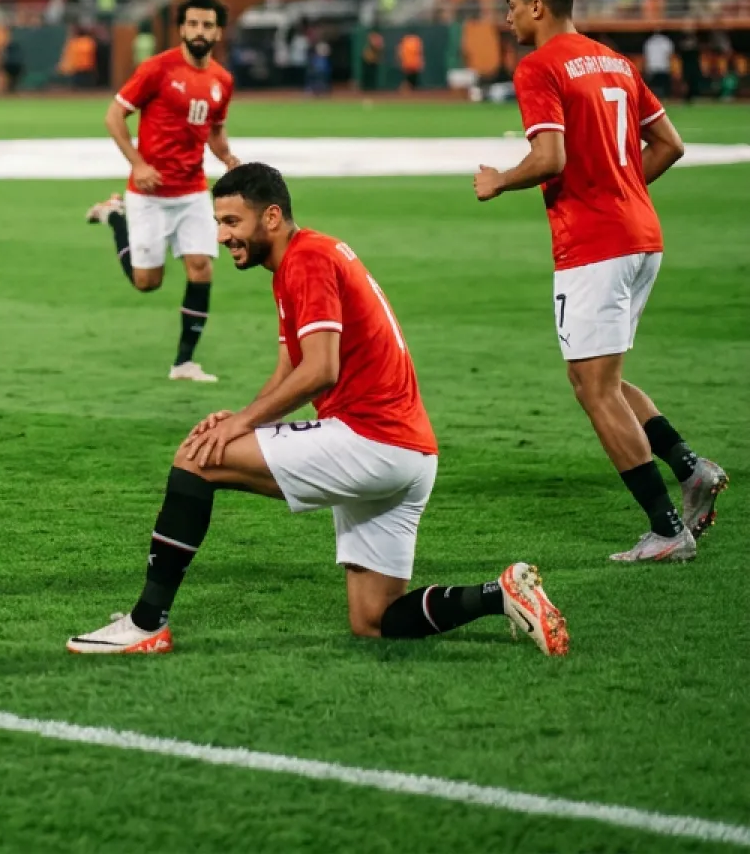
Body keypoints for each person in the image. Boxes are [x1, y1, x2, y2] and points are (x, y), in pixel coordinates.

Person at [68, 163, 568, 658]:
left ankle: (145, 623)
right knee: (374, 620)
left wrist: (241, 425)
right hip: (410, 454)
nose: (222, 236)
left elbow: (321, 370)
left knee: (195, 460)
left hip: (370, 439)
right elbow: (292, 368)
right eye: (219, 223)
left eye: (232, 222)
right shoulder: (304, 258)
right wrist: (239, 417)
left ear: (270, 217)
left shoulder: (306, 261)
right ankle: (500, 593)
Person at [473, 0, 726, 561]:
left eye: (511, 3)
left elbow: (550, 157)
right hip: (641, 237)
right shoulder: (616, 61)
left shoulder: (538, 65)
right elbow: (671, 144)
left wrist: (498, 180)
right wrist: (622, 189)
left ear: (539, 6)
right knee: (601, 380)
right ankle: (690, 470)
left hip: (594, 247)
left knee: (593, 390)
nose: (506, 14)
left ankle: (667, 531)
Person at [85, 0, 240, 384]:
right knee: (146, 283)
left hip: (191, 191)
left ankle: (184, 364)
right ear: (182, 28)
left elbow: (215, 132)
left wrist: (228, 159)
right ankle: (115, 215)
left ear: (218, 31)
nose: (199, 31)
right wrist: (138, 164)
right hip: (149, 195)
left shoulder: (222, 80)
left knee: (201, 269)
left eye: (207, 25)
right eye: (192, 24)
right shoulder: (157, 69)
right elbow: (114, 115)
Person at [641, 29, 674, 99]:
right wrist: (671, 67)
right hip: (664, 67)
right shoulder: (666, 41)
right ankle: (665, 99)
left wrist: (645, 68)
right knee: (664, 87)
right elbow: (670, 56)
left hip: (652, 67)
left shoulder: (649, 41)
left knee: (653, 88)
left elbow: (646, 56)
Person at [360, 29, 384, 93]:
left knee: (373, 76)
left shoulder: (378, 39)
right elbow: (373, 44)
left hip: (373, 60)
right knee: (367, 76)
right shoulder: (371, 39)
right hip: (367, 60)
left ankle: (372, 89)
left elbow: (379, 47)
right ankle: (366, 88)